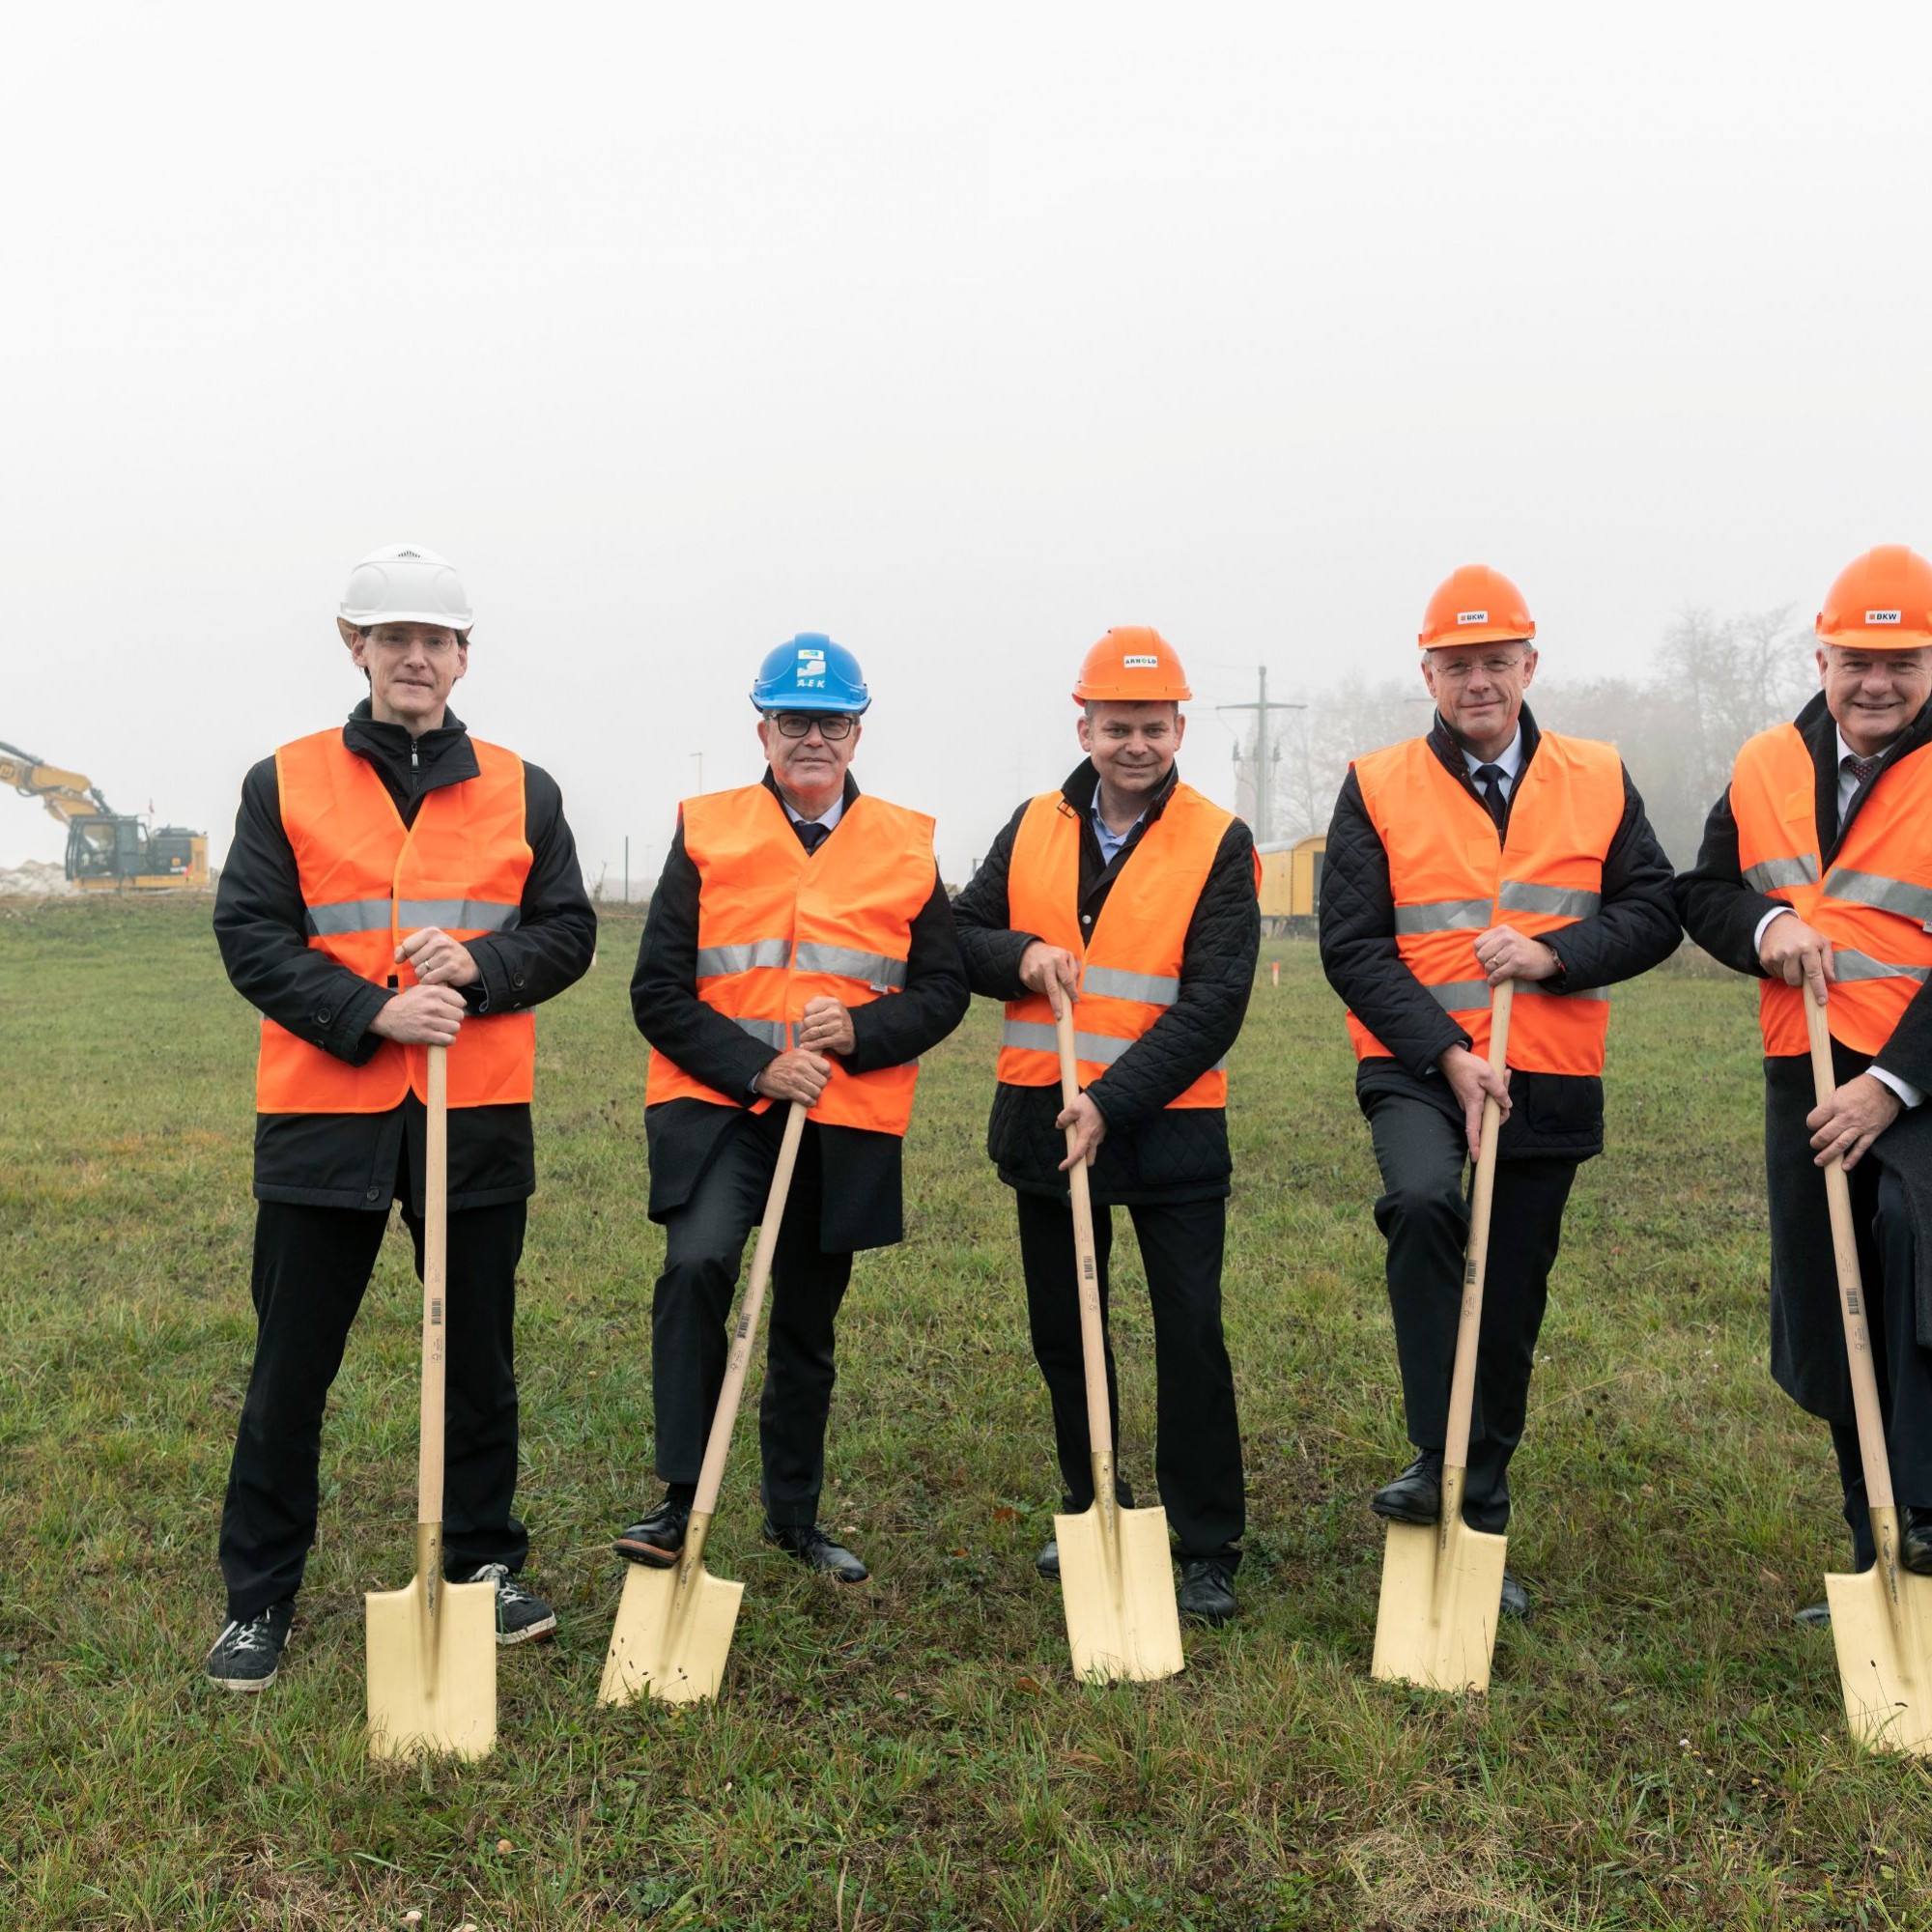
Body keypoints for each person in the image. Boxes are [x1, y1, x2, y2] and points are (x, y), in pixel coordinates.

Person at [206, 543, 596, 1691]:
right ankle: (258, 1595)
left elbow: (566, 932)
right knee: (291, 1362)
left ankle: (481, 1560)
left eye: (435, 640)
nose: (415, 657)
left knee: (475, 1353)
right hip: (323, 1114)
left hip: (473, 1112)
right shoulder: (284, 779)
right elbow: (252, 937)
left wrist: (477, 965)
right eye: (394, 639)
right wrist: (373, 1011)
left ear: (462, 657)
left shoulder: (527, 787)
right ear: (356, 647)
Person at [1320, 565, 1679, 1620]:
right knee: (1425, 1203)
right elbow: (1350, 943)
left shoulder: (1599, 774)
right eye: (1455, 664)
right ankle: (1436, 1451)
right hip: (1417, 1065)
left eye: (1494, 661)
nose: (1476, 681)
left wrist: (1554, 954)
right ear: (1425, 670)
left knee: (1509, 1291)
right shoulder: (1375, 781)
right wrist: (1444, 1054)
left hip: (1546, 1074)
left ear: (1528, 664)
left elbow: (1653, 909)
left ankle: (1476, 1497)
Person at [620, 634, 968, 1581]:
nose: (811, 737)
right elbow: (657, 991)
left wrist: (859, 1032)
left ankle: (793, 1516)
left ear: (857, 733)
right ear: (761, 728)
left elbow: (940, 991)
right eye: (792, 720)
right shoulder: (707, 829)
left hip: (841, 1118)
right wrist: (756, 1069)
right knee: (696, 1267)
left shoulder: (905, 842)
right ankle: (677, 1498)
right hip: (719, 1106)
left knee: (806, 1323)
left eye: (831, 721)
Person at [952, 629, 1258, 1625]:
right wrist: (1024, 952)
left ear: (1179, 727)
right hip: (1044, 1119)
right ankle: (1092, 1501)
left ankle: (1204, 1538)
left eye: (1153, 726)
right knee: (1065, 1331)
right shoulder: (1032, 822)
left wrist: (1110, 1100)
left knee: (1189, 1333)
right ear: (1082, 726)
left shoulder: (1218, 839)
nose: (1135, 743)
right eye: (1116, 725)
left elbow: (1214, 1001)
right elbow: (959, 934)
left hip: (1164, 1127)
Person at [1676, 545, 1932, 1609]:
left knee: (1906, 1262)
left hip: (1917, 1079)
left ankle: (1919, 1516)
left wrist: (1890, 1085)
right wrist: (1767, 923)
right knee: (1837, 1306)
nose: (1874, 682)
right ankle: (1871, 1543)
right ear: (1819, 653)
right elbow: (1701, 890)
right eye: (1855, 658)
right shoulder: (1764, 760)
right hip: (1803, 1070)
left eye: (1901, 660)